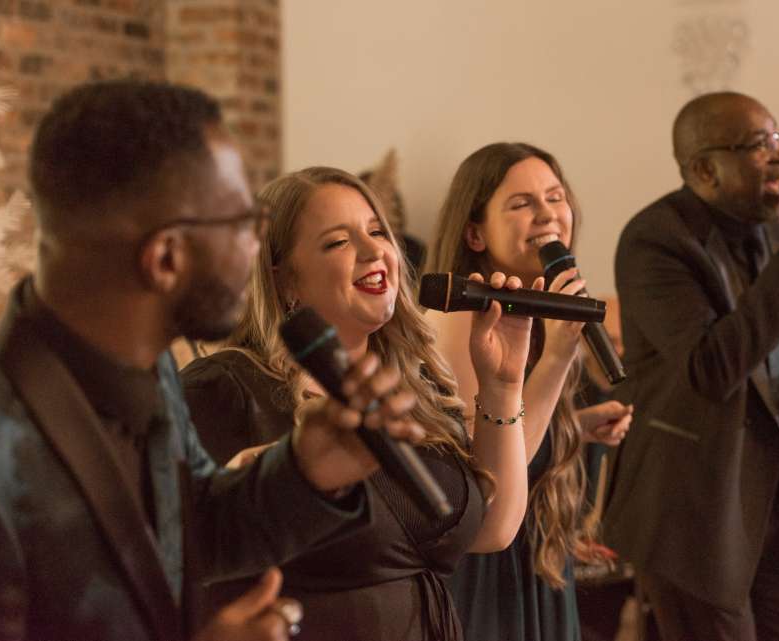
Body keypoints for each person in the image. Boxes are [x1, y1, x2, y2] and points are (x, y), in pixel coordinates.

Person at [0, 80, 422, 641]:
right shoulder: (0, 444)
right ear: (167, 258)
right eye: (243, 223)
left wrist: (306, 472)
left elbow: (193, 525)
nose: (256, 247)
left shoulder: (146, 365)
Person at [180, 166, 531, 641]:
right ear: (283, 279)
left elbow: (492, 532)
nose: (374, 251)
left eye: (377, 231)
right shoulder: (226, 389)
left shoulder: (414, 387)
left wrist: (503, 385)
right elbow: (182, 557)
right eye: (338, 242)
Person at [602, 91, 779, 641]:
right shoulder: (654, 241)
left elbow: (757, 355)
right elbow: (710, 368)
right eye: (759, 145)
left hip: (767, 502)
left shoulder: (770, 229)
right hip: (692, 511)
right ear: (704, 169)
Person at [424, 142, 633, 641]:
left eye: (555, 197)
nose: (547, 214)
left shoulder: (537, 312)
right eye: (522, 204)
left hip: (536, 564)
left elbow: (514, 431)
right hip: (485, 575)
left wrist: (574, 428)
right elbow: (489, 479)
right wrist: (558, 358)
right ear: (475, 233)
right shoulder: (462, 319)